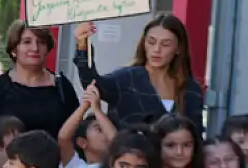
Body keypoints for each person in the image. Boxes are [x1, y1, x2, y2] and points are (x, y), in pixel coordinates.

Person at [0, 21, 80, 167]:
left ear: (47, 48)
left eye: (41, 42)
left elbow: (73, 136)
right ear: (13, 49)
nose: (35, 48)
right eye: (27, 42)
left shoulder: (62, 87)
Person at [74, 15, 205, 126]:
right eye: (151, 42)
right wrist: (82, 46)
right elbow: (92, 83)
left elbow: (196, 136)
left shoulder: (190, 89)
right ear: (143, 43)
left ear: (179, 49)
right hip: (130, 154)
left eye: (165, 44)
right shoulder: (127, 78)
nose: (157, 50)